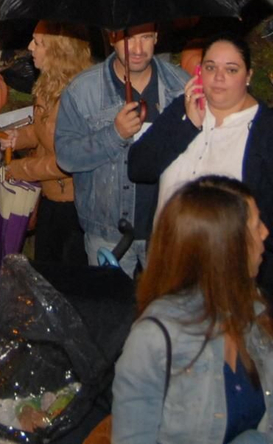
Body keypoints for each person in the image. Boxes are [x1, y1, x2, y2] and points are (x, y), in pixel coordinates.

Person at [126, 34, 273, 329]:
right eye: (210, 67)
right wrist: (188, 126)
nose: (218, 78)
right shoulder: (183, 108)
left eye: (231, 69)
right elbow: (140, 167)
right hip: (169, 269)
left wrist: (239, 222)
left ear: (249, 76)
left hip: (230, 284)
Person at [112, 176, 273, 444]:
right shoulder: (154, 339)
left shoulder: (248, 306)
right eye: (255, 226)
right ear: (225, 248)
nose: (266, 232)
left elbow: (269, 401)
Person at [55, 22, 187, 276]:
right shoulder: (83, 91)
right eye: (129, 39)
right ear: (113, 38)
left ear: (157, 37)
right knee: (112, 310)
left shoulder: (180, 86)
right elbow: (66, 156)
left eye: (146, 37)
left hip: (167, 230)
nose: (137, 48)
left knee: (166, 311)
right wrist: (113, 135)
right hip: (108, 232)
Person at [0, 22, 95, 267]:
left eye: (38, 43)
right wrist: (19, 137)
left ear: (59, 52)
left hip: (72, 205)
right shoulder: (48, 84)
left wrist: (20, 169)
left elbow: (67, 161)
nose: (30, 47)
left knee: (65, 276)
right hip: (51, 196)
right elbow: (44, 130)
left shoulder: (78, 97)